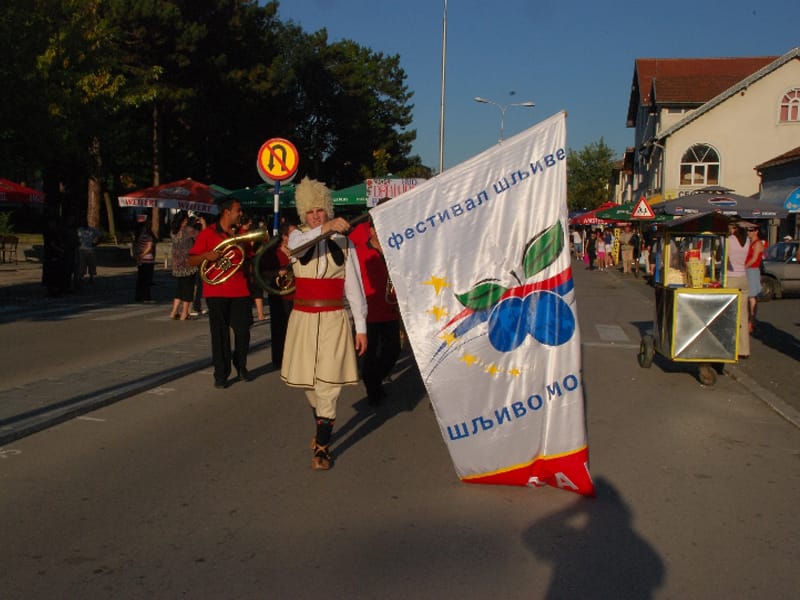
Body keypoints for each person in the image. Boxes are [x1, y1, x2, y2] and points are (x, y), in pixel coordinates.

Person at [280, 177, 367, 471]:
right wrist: (326, 228)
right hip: (303, 320)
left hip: (333, 319)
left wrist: (361, 327)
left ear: (328, 209)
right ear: (303, 213)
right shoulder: (296, 237)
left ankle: (322, 446)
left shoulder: (345, 242)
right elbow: (298, 247)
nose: (316, 215)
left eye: (321, 210)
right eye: (311, 211)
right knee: (310, 386)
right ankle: (322, 424)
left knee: (329, 386)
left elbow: (353, 286)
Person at [189, 197, 253, 388]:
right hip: (216, 290)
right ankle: (221, 373)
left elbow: (249, 258)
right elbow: (191, 260)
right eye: (238, 210)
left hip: (240, 289)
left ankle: (240, 365)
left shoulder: (241, 233)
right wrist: (206, 256)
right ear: (227, 212)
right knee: (219, 334)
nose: (240, 213)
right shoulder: (208, 233)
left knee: (243, 332)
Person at [349, 210, 402, 407]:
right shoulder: (357, 250)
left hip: (389, 309)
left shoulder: (394, 247)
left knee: (393, 350)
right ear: (370, 230)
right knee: (368, 356)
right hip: (367, 311)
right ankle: (373, 390)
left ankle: (375, 381)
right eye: (378, 227)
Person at [264, 221, 296, 369]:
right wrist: (278, 272)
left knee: (295, 328)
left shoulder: (298, 250)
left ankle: (294, 357)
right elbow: (264, 273)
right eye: (293, 233)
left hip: (296, 294)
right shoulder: (273, 252)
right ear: (284, 237)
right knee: (279, 327)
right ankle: (279, 359)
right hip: (279, 295)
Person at [726, 221, 751, 358]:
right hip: (743, 278)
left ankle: (730, 346)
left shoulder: (729, 240)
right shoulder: (746, 241)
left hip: (731, 278)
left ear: (734, 228)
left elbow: (721, 257)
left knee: (729, 314)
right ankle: (744, 349)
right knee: (743, 315)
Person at [168, 211, 198, 320]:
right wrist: (202, 223)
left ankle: (174, 311)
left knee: (179, 288)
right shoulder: (188, 230)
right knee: (188, 288)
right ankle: (185, 313)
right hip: (188, 264)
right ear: (185, 220)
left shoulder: (173, 231)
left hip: (177, 264)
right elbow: (201, 236)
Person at [744, 225, 766, 333]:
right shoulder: (749, 242)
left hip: (752, 270)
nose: (749, 232)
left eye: (751, 230)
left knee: (752, 297)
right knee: (748, 297)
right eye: (748, 230)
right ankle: (749, 320)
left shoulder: (757, 243)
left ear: (756, 231)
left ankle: (751, 321)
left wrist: (744, 267)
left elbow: (754, 259)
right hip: (748, 270)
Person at [133, 218, 156, 302]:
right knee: (147, 279)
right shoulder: (148, 235)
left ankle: (138, 296)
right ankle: (146, 297)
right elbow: (149, 247)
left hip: (140, 260)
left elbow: (136, 247)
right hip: (147, 259)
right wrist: (143, 254)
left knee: (140, 279)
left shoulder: (138, 236)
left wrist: (138, 256)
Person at [77, 220, 100, 285]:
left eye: (86, 222)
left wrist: (96, 243)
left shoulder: (92, 229)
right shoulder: (79, 230)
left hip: (90, 249)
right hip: (81, 249)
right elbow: (76, 238)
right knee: (82, 265)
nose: (85, 223)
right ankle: (81, 278)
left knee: (92, 264)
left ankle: (91, 278)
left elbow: (100, 235)